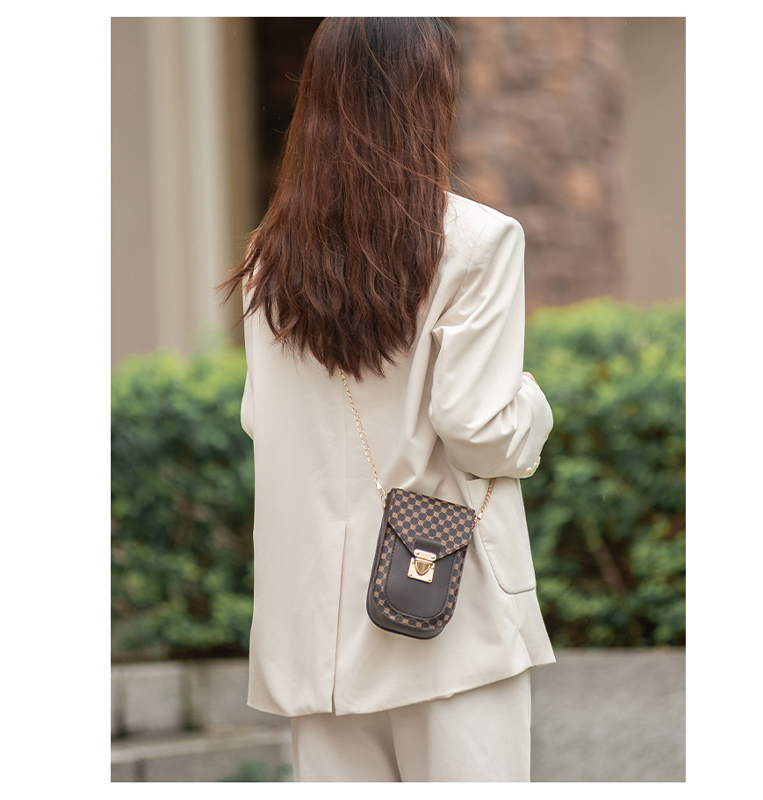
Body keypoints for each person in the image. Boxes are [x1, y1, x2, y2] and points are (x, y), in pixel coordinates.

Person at [219, 17, 555, 782]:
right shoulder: (477, 240)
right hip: (442, 605)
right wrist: (534, 406)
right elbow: (476, 426)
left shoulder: (268, 256)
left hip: (313, 629)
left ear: (319, 98)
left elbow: (259, 419)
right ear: (430, 94)